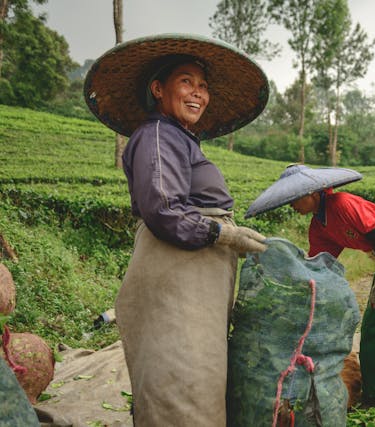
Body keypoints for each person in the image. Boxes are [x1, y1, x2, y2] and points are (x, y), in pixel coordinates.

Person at [83, 34, 270, 426]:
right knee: (182, 382)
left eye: (203, 86)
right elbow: (164, 209)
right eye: (186, 82)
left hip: (194, 276)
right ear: (158, 89)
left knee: (199, 377)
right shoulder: (156, 134)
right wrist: (224, 235)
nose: (198, 94)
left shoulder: (178, 138)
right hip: (177, 275)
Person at [245, 164, 375, 402]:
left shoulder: (342, 204)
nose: (292, 206)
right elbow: (318, 265)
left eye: (294, 199)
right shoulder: (319, 225)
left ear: (311, 193)